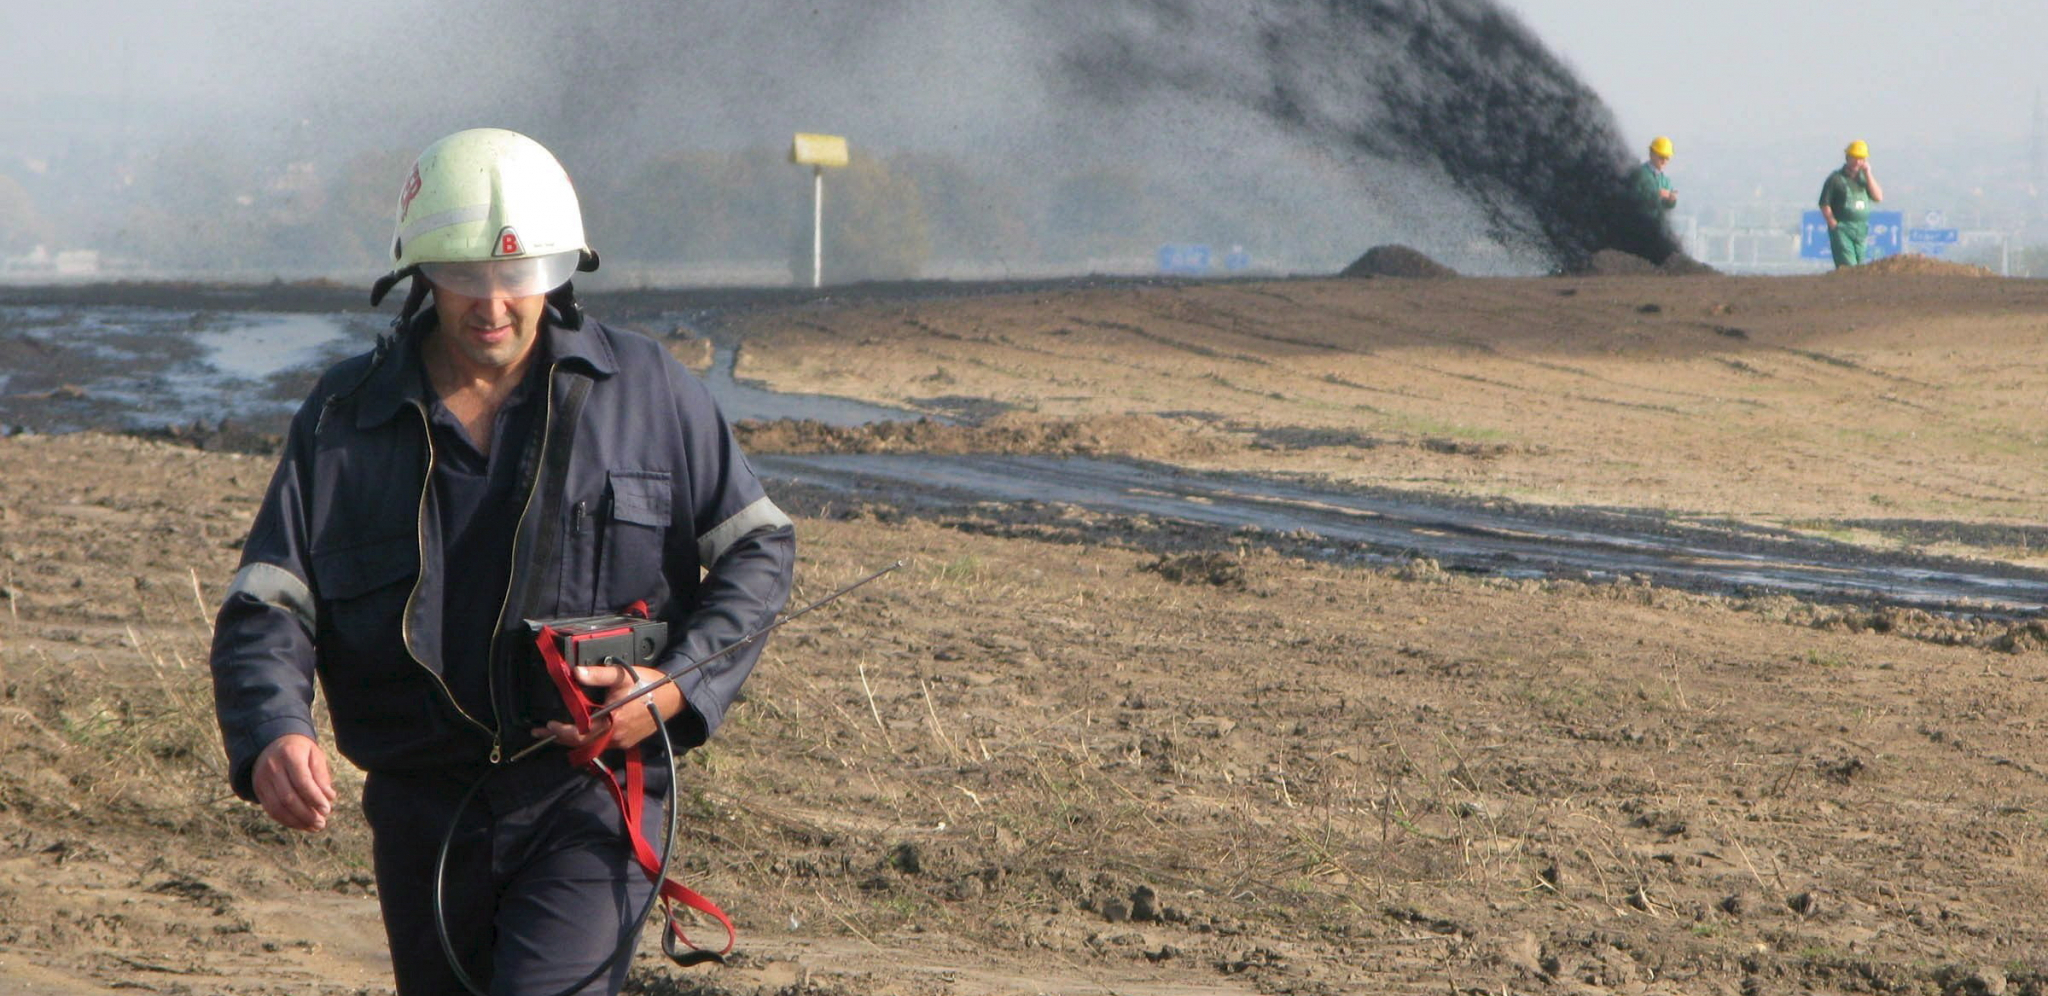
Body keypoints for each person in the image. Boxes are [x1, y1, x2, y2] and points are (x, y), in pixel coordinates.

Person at [208, 127, 796, 995]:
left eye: (516, 278)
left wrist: (671, 688)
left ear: (558, 274)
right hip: (420, 813)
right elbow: (270, 603)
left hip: (591, 798)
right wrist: (273, 732)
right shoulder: (343, 420)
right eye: (465, 279)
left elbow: (758, 549)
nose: (492, 305)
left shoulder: (649, 392)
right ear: (420, 276)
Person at [1819, 140, 1885, 268]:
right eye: (1854, 158)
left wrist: (1868, 174)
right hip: (1843, 228)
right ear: (1847, 157)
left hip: (1861, 229)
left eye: (1861, 159)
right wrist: (1834, 225)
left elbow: (1878, 197)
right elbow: (1824, 204)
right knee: (1848, 265)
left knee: (1859, 266)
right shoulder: (1835, 179)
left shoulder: (1865, 179)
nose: (1857, 162)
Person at [1635, 136, 1678, 215]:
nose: (1664, 161)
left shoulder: (1665, 180)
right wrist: (1656, 194)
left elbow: (1667, 206)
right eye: (1661, 157)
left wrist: (1671, 200)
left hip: (1656, 223)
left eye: (1667, 158)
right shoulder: (1640, 174)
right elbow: (1633, 198)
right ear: (1651, 154)